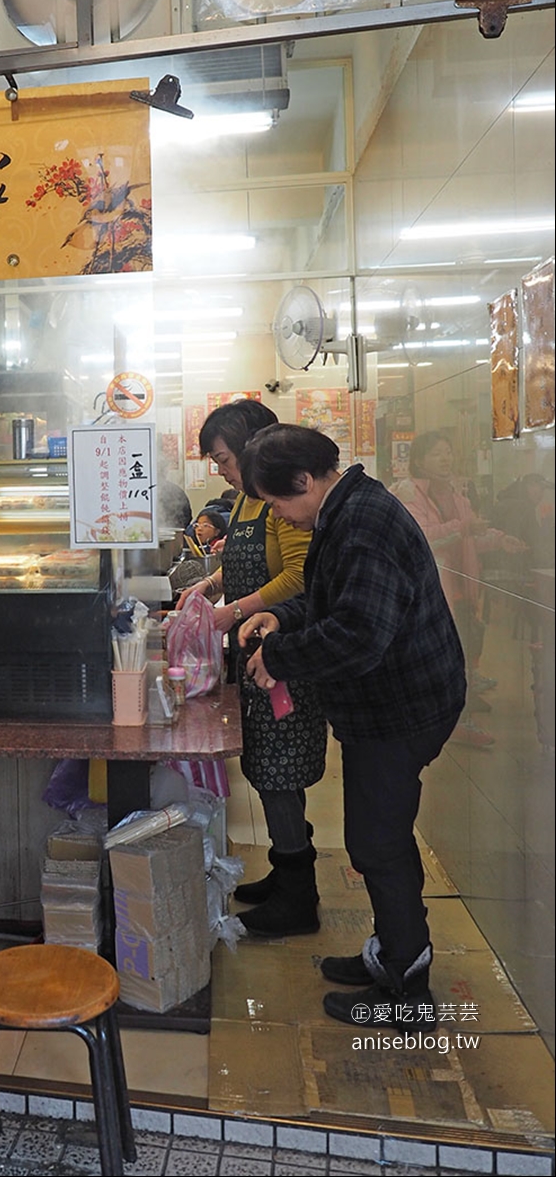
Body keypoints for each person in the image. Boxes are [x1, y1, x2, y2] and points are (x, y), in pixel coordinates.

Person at [236, 424, 466, 1024]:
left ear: (306, 480)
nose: (281, 517)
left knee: (378, 843)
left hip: (402, 707)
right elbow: (326, 598)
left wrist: (279, 658)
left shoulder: (362, 524)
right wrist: (279, 619)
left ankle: (408, 991)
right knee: (381, 835)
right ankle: (394, 953)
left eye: (281, 501)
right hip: (390, 702)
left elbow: (359, 635)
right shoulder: (345, 510)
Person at [179, 401, 327, 938]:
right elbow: (244, 564)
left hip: (282, 656)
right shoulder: (245, 501)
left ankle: (298, 898)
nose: (220, 471)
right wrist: (210, 585)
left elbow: (297, 576)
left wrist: (230, 612)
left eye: (223, 459)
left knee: (280, 769)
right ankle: (287, 871)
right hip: (254, 649)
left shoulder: (279, 500)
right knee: (266, 767)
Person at [391, 431, 525, 749]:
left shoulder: (458, 496)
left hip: (462, 586)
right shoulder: (409, 495)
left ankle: (455, 714)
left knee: (466, 645)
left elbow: (469, 536)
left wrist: (498, 539)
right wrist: (463, 527)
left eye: (448, 452)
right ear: (420, 461)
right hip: (431, 590)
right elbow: (423, 538)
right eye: (437, 453)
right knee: (443, 658)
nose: (445, 459)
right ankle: (451, 719)